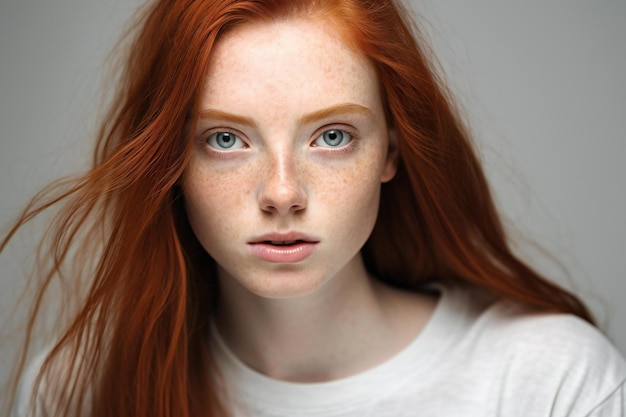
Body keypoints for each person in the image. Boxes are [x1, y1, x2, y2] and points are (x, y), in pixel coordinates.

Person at [4, 0, 625, 416]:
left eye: (332, 136)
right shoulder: (74, 391)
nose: (281, 192)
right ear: (170, 163)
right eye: (225, 139)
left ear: (391, 151)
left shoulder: (546, 382)